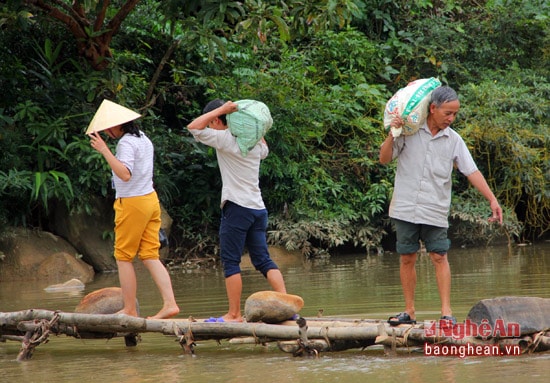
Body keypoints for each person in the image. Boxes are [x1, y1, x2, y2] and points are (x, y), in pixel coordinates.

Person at [379, 86, 503, 326]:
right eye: (448, 113)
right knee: (407, 257)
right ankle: (409, 312)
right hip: (405, 206)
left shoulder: (453, 140)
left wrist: (492, 199)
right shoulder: (409, 132)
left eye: (454, 114)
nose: (451, 119)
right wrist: (392, 133)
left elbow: (471, 170)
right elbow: (384, 159)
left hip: (434, 208)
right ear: (433, 108)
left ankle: (446, 313)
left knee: (439, 256)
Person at [187, 99, 287, 322]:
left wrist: (222, 110)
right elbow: (263, 141)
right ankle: (287, 305)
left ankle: (234, 314)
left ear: (216, 119)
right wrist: (251, 121)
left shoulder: (225, 139)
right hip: (258, 210)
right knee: (263, 260)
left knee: (231, 261)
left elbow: (193, 127)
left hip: (237, 209)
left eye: (213, 121)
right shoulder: (255, 145)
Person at [88, 101, 180, 319]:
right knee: (149, 255)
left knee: (123, 257)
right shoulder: (143, 138)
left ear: (116, 126)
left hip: (132, 203)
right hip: (149, 199)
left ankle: (129, 309)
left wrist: (104, 151)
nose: (106, 133)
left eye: (107, 129)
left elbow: (125, 174)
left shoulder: (126, 144)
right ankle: (170, 304)